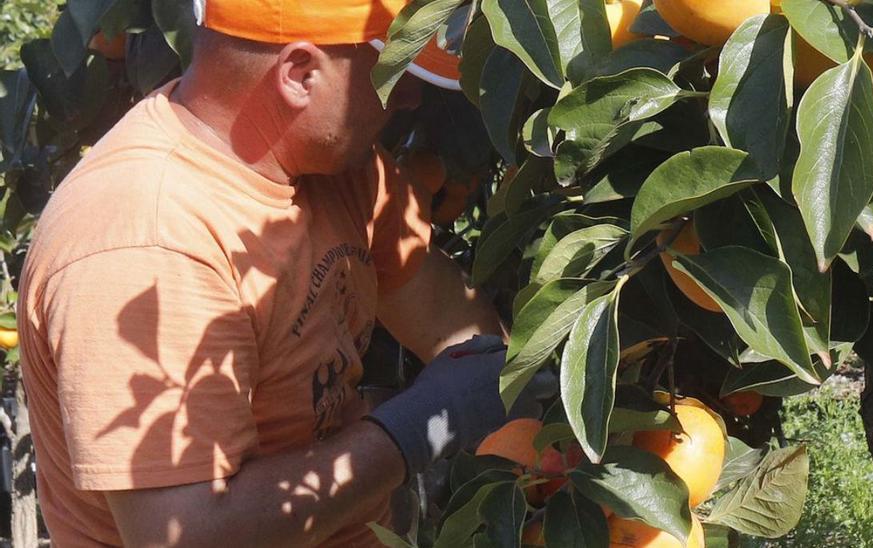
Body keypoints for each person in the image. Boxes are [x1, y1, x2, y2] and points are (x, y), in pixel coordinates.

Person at [16, 1, 535, 545]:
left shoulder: (343, 173)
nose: (409, 97)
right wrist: (417, 425)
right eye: (393, 72)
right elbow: (184, 534)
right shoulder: (144, 240)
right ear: (300, 75)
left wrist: (536, 426)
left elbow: (452, 326)